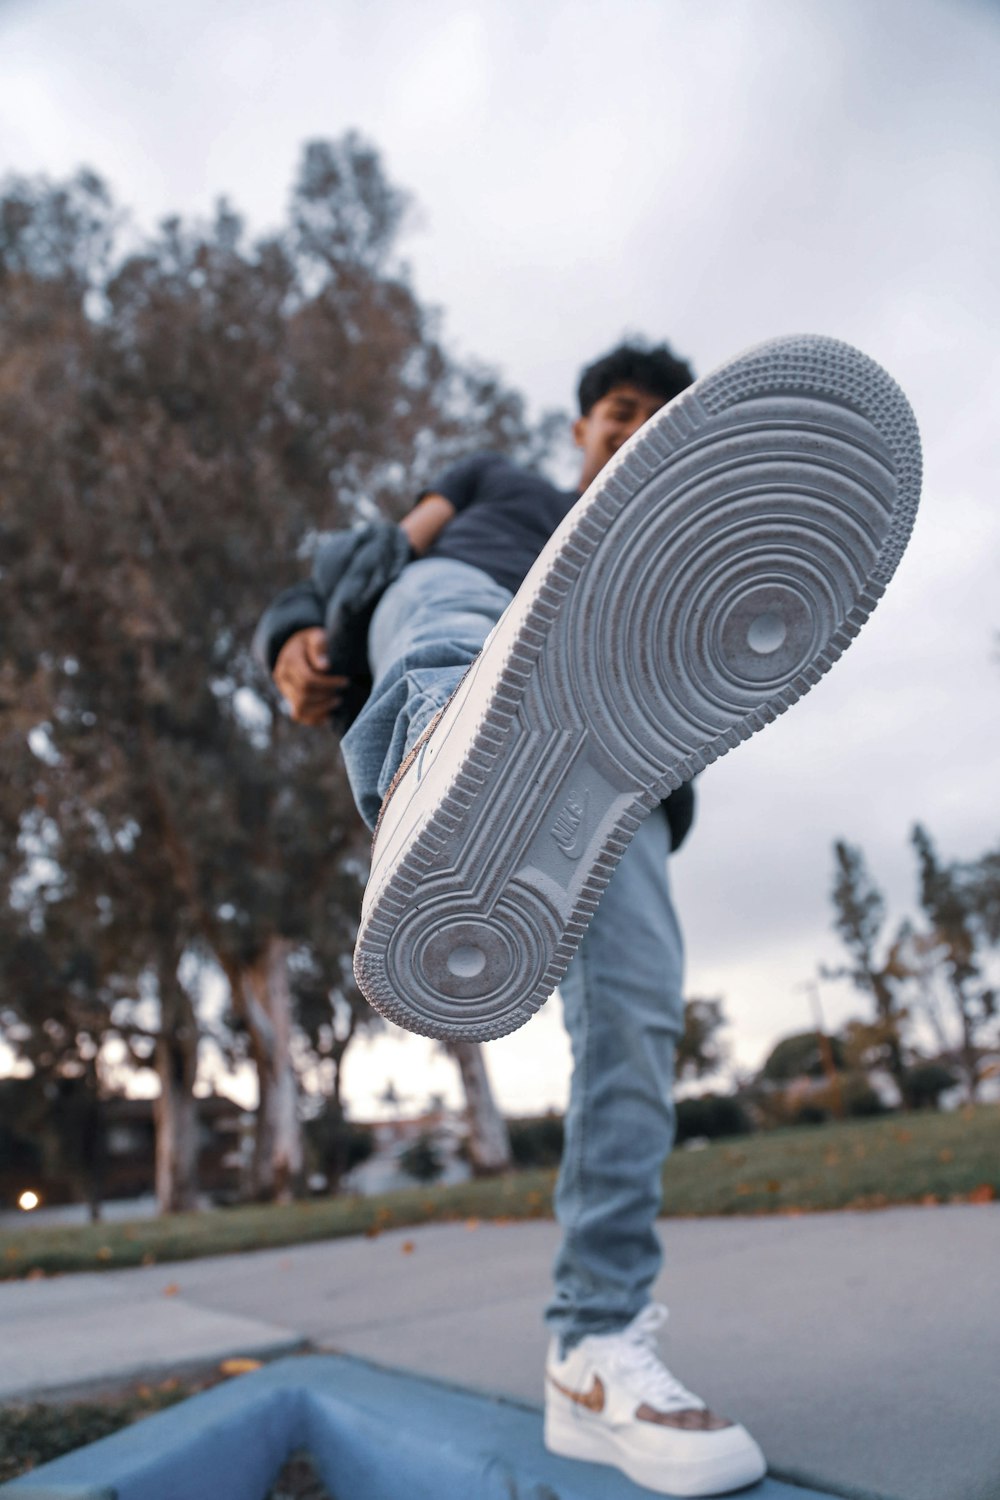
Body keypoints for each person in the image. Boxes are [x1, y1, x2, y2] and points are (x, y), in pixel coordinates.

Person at [258, 333, 920, 1497]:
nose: (632, 428)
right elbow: (373, 563)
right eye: (619, 410)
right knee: (446, 591)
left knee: (634, 1035)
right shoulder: (493, 486)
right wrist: (291, 636)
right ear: (578, 427)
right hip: (457, 637)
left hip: (621, 803)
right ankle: (444, 757)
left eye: (659, 419)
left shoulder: (675, 548)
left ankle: (593, 1355)